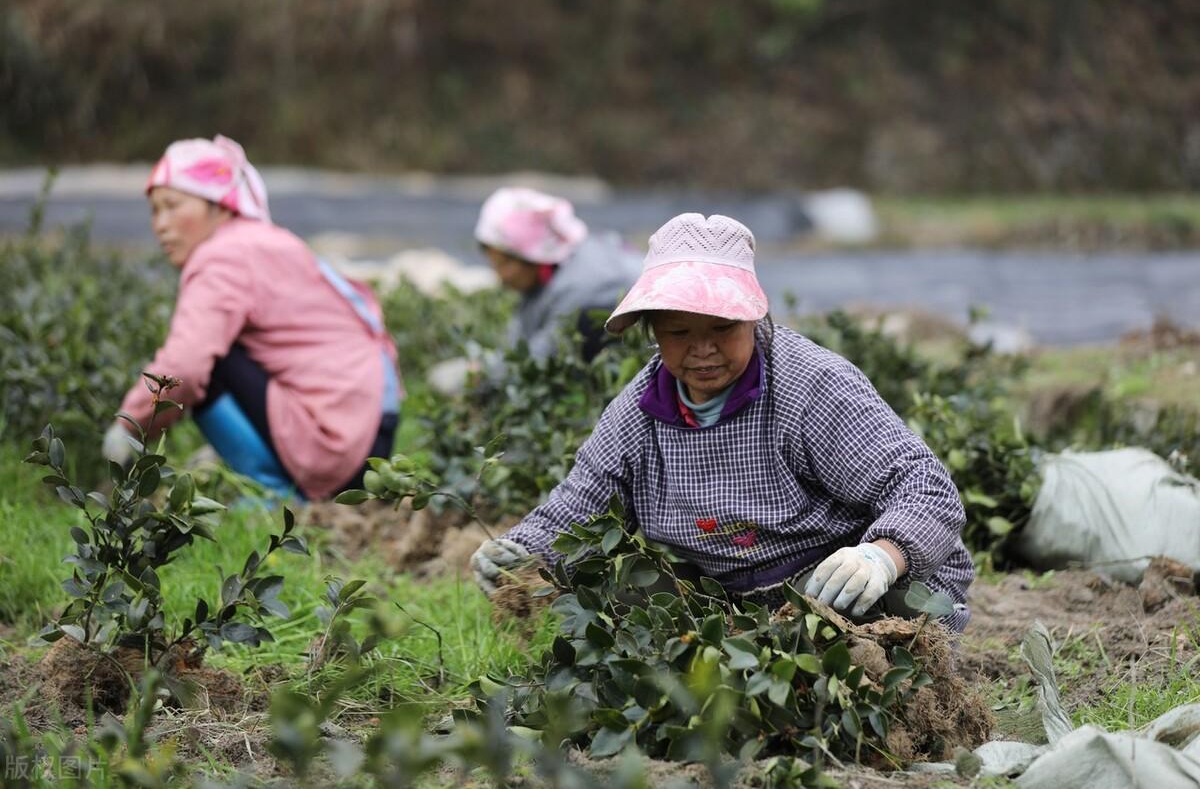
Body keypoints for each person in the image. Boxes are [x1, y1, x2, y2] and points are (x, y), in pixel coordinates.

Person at [471, 213, 974, 631]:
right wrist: (521, 550)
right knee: (622, 589)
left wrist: (880, 557)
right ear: (653, 333)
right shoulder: (638, 413)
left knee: (888, 619)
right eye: (680, 332)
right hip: (728, 597)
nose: (702, 349)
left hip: (832, 578)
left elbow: (923, 486)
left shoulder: (811, 384)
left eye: (721, 328)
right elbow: (578, 505)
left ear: (752, 320)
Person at [101, 135, 401, 500]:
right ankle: (259, 467)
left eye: (173, 205)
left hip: (337, 447)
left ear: (218, 206)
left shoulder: (222, 257)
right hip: (369, 438)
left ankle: (274, 494)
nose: (161, 224)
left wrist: (128, 426)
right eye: (154, 210)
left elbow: (186, 367)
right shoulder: (261, 241)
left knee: (204, 367)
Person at [428, 188, 641, 393]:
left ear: (533, 257)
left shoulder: (583, 289)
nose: (501, 275)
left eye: (504, 265)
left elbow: (534, 363)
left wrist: (479, 377)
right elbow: (519, 342)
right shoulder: (549, 269)